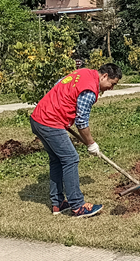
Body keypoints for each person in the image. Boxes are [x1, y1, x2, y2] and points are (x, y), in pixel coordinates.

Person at [30, 63, 122, 218]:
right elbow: (81, 122)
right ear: (105, 76)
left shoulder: (83, 73)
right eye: (112, 84)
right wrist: (91, 144)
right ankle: (78, 206)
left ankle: (58, 203)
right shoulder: (90, 90)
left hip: (38, 118)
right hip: (50, 122)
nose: (111, 88)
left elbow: (58, 84)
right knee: (71, 159)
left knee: (57, 160)